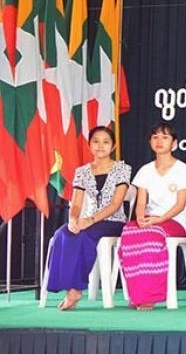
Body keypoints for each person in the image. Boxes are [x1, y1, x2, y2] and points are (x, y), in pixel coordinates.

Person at [47, 126, 131, 311]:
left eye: (106, 142)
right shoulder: (82, 171)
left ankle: (75, 289)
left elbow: (115, 204)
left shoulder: (122, 169)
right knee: (62, 234)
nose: (100, 145)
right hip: (87, 220)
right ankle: (68, 286)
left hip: (113, 221)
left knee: (84, 235)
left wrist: (91, 220)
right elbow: (76, 203)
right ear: (89, 145)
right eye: (96, 141)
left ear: (113, 146)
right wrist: (73, 219)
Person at [118, 122, 186, 311]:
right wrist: (140, 218)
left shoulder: (183, 170)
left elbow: (180, 204)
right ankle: (138, 294)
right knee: (129, 232)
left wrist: (159, 220)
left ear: (174, 143)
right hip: (150, 220)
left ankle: (150, 296)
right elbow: (141, 202)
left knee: (152, 236)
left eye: (165, 137)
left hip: (174, 222)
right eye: (155, 137)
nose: (159, 141)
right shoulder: (145, 170)